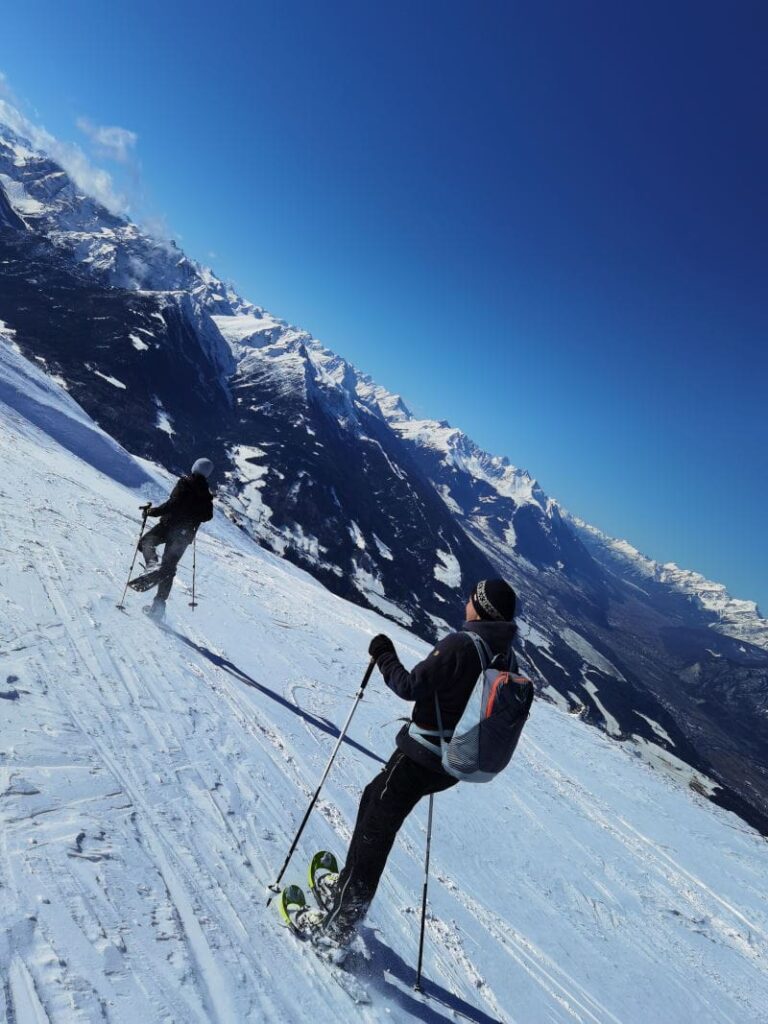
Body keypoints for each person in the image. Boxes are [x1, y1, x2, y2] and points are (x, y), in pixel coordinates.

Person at [319, 578, 520, 946]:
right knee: (372, 801)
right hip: (452, 764)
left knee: (374, 831)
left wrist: (383, 653)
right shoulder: (503, 654)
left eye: (472, 598)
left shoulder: (462, 644)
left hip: (419, 757)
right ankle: (347, 886)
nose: (466, 601)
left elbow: (409, 686)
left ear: (481, 607)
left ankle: (339, 925)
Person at [139, 458, 214, 619]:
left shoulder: (185, 483)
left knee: (146, 542)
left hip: (169, 526)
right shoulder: (206, 494)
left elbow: (173, 504)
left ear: (195, 467)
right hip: (184, 535)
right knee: (169, 567)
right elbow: (207, 516)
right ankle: (158, 608)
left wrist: (152, 512)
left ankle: (152, 566)